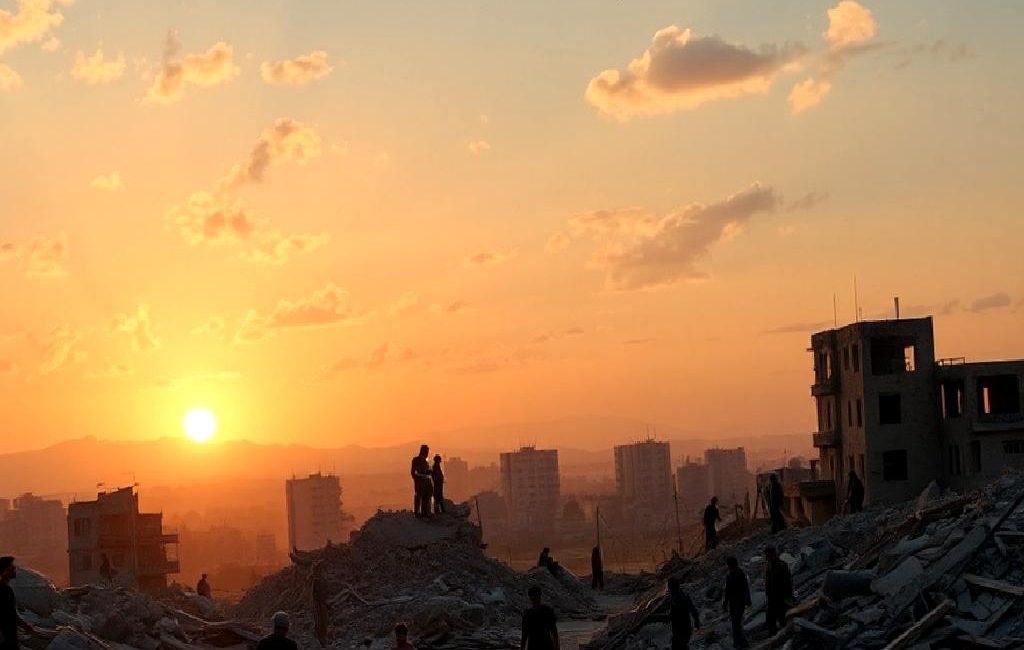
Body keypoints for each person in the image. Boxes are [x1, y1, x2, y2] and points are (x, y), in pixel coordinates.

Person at [649, 578, 700, 649]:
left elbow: (670, 617)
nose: (668, 589)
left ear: (671, 587)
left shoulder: (675, 600)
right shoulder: (684, 596)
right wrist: (697, 623)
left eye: (668, 587)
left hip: (679, 633)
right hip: (686, 630)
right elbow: (694, 611)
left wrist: (652, 618)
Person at [0, 557, 36, 650]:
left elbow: (10, 612)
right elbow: (8, 613)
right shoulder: (4, 590)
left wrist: (24, 625)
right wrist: (25, 626)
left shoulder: (5, 589)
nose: (14, 569)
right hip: (6, 636)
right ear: (5, 570)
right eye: (11, 567)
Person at [722, 557, 751, 649]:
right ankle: (739, 642)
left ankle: (740, 643)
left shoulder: (739, 574)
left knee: (736, 624)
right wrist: (725, 603)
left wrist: (748, 601)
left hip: (739, 603)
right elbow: (727, 591)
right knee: (735, 624)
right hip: (733, 603)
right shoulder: (729, 575)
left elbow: (745, 588)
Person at [764, 546, 794, 635]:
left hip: (780, 597)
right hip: (772, 597)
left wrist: (787, 595)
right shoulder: (769, 565)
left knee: (781, 617)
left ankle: (785, 634)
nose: (766, 557)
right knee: (771, 619)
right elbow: (768, 581)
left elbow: (787, 582)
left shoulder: (781, 565)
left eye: (767, 555)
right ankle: (774, 634)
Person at [521, 586, 559, 650]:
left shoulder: (528, 614)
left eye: (534, 598)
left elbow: (524, 636)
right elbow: (554, 633)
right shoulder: (547, 611)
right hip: (544, 645)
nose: (534, 601)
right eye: (533, 599)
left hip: (539, 646)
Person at [411, 444, 433, 518]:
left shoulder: (425, 461)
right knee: (419, 496)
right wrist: (416, 479)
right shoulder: (416, 460)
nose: (427, 453)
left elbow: (424, 471)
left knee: (425, 497)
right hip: (420, 481)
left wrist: (429, 472)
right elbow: (413, 472)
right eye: (426, 452)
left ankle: (424, 513)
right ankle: (417, 512)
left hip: (425, 481)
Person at [310, 563, 329, 647]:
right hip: (319, 604)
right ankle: (321, 640)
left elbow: (315, 594)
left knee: (321, 622)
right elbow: (314, 594)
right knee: (320, 622)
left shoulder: (319, 580)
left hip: (320, 604)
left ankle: (322, 640)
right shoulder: (318, 581)